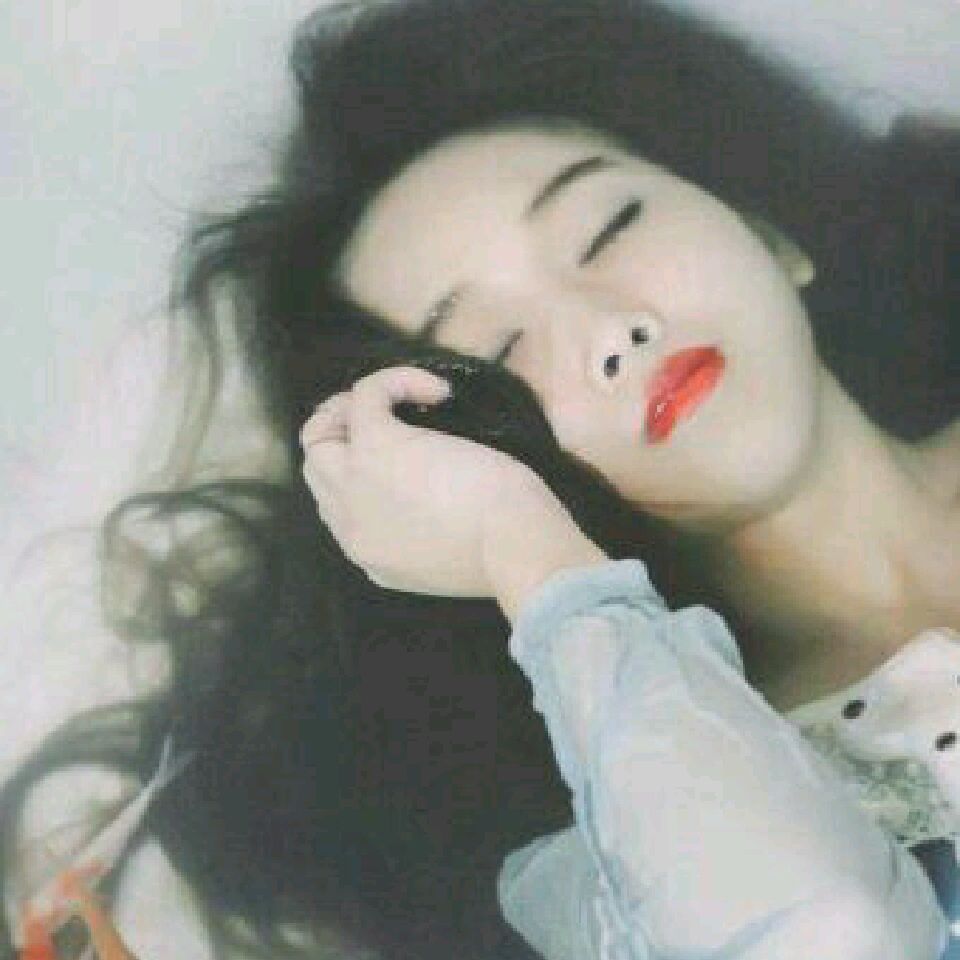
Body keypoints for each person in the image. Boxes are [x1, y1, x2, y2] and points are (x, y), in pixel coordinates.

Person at [1, 0, 957, 958]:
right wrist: (529, 556)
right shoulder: (652, 828)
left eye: (610, 227)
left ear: (768, 230)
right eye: (498, 349)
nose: (608, 330)